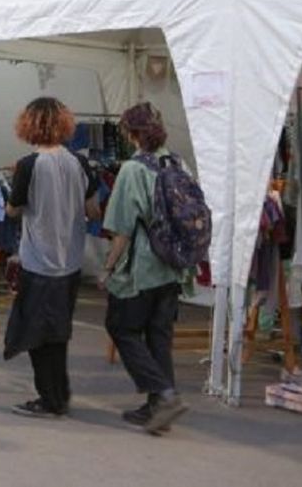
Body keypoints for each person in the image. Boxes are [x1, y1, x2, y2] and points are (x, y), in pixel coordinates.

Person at [3, 97, 99, 419]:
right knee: (59, 331)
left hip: (38, 259)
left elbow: (14, 209)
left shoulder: (28, 165)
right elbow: (92, 210)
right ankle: (60, 393)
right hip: (71, 259)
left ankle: (50, 398)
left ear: (28, 125)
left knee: (36, 334)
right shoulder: (80, 164)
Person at [100, 102, 190, 434]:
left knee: (121, 327)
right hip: (173, 266)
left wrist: (108, 268)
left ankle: (165, 395)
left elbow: (122, 229)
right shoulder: (178, 163)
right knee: (158, 336)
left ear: (132, 134)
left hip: (143, 267)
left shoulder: (133, 170)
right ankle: (157, 408)